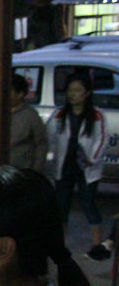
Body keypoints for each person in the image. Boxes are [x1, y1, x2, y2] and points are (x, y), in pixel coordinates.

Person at [47, 72, 109, 260]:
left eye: (77, 90)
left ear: (87, 93)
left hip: (87, 167)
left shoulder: (97, 115)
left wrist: (93, 158)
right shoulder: (59, 114)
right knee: (62, 206)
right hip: (65, 166)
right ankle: (60, 245)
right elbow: (50, 138)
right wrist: (50, 159)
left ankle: (97, 245)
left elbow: (102, 139)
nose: (73, 94)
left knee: (88, 203)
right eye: (70, 90)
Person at [8, 74, 48, 172]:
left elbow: (41, 144)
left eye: (9, 91)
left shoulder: (31, 115)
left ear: (20, 94)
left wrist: (36, 170)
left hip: (21, 170)